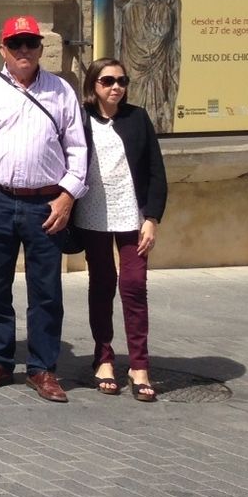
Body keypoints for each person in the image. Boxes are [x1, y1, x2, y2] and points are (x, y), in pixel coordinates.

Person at [0, 16, 88, 404]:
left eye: (31, 43)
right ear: (3, 50)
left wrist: (67, 196)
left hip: (45, 204)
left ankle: (43, 368)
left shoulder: (61, 91)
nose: (24, 51)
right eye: (16, 45)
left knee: (46, 290)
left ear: (41, 48)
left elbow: (79, 151)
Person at [71, 58, 167, 402]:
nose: (116, 87)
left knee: (133, 285)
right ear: (93, 85)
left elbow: (156, 171)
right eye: (108, 81)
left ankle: (139, 365)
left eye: (122, 81)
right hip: (94, 214)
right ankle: (104, 357)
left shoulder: (137, 118)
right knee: (102, 284)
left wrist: (152, 218)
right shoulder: (81, 120)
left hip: (132, 215)